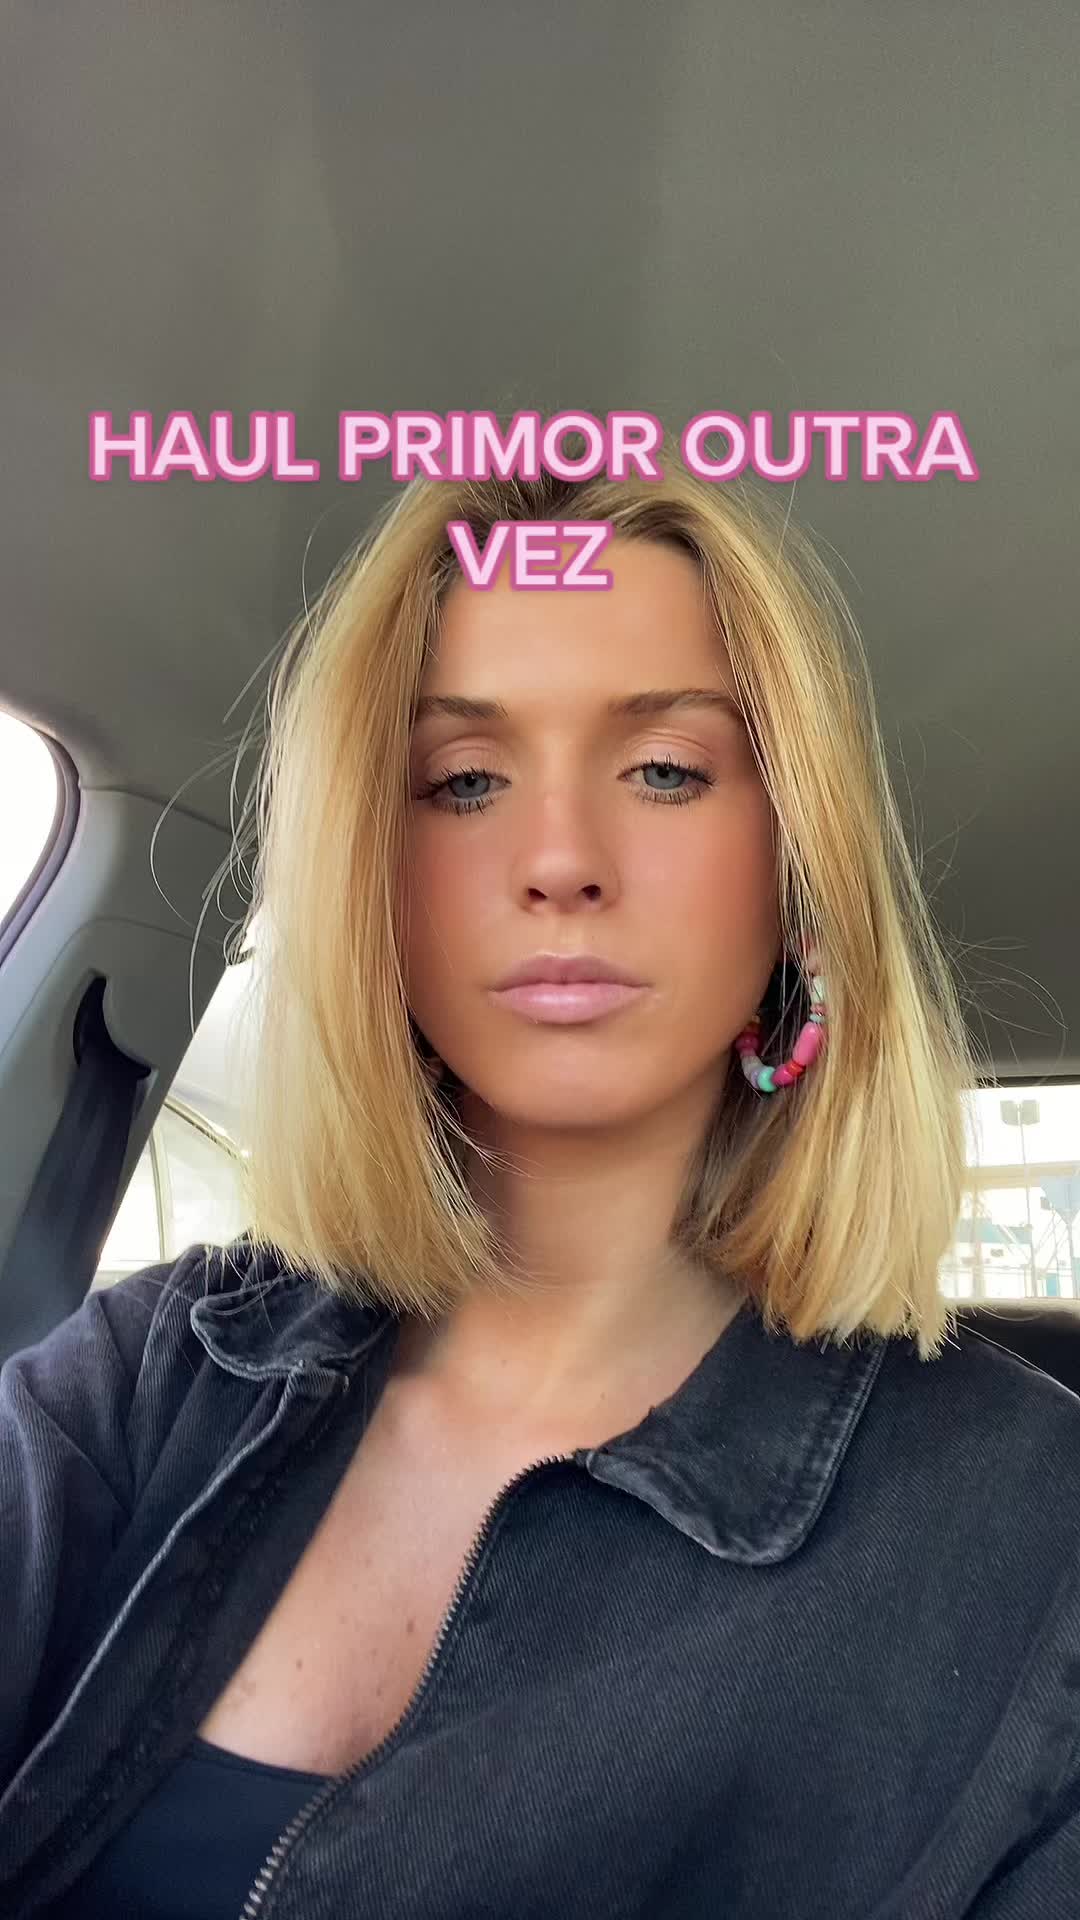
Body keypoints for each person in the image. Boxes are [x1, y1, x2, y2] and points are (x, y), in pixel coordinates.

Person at [3, 441, 1080, 1919]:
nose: (561, 859)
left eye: (665, 769)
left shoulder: (1030, 1547)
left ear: (798, 872)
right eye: (462, 782)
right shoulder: (152, 1371)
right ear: (370, 882)